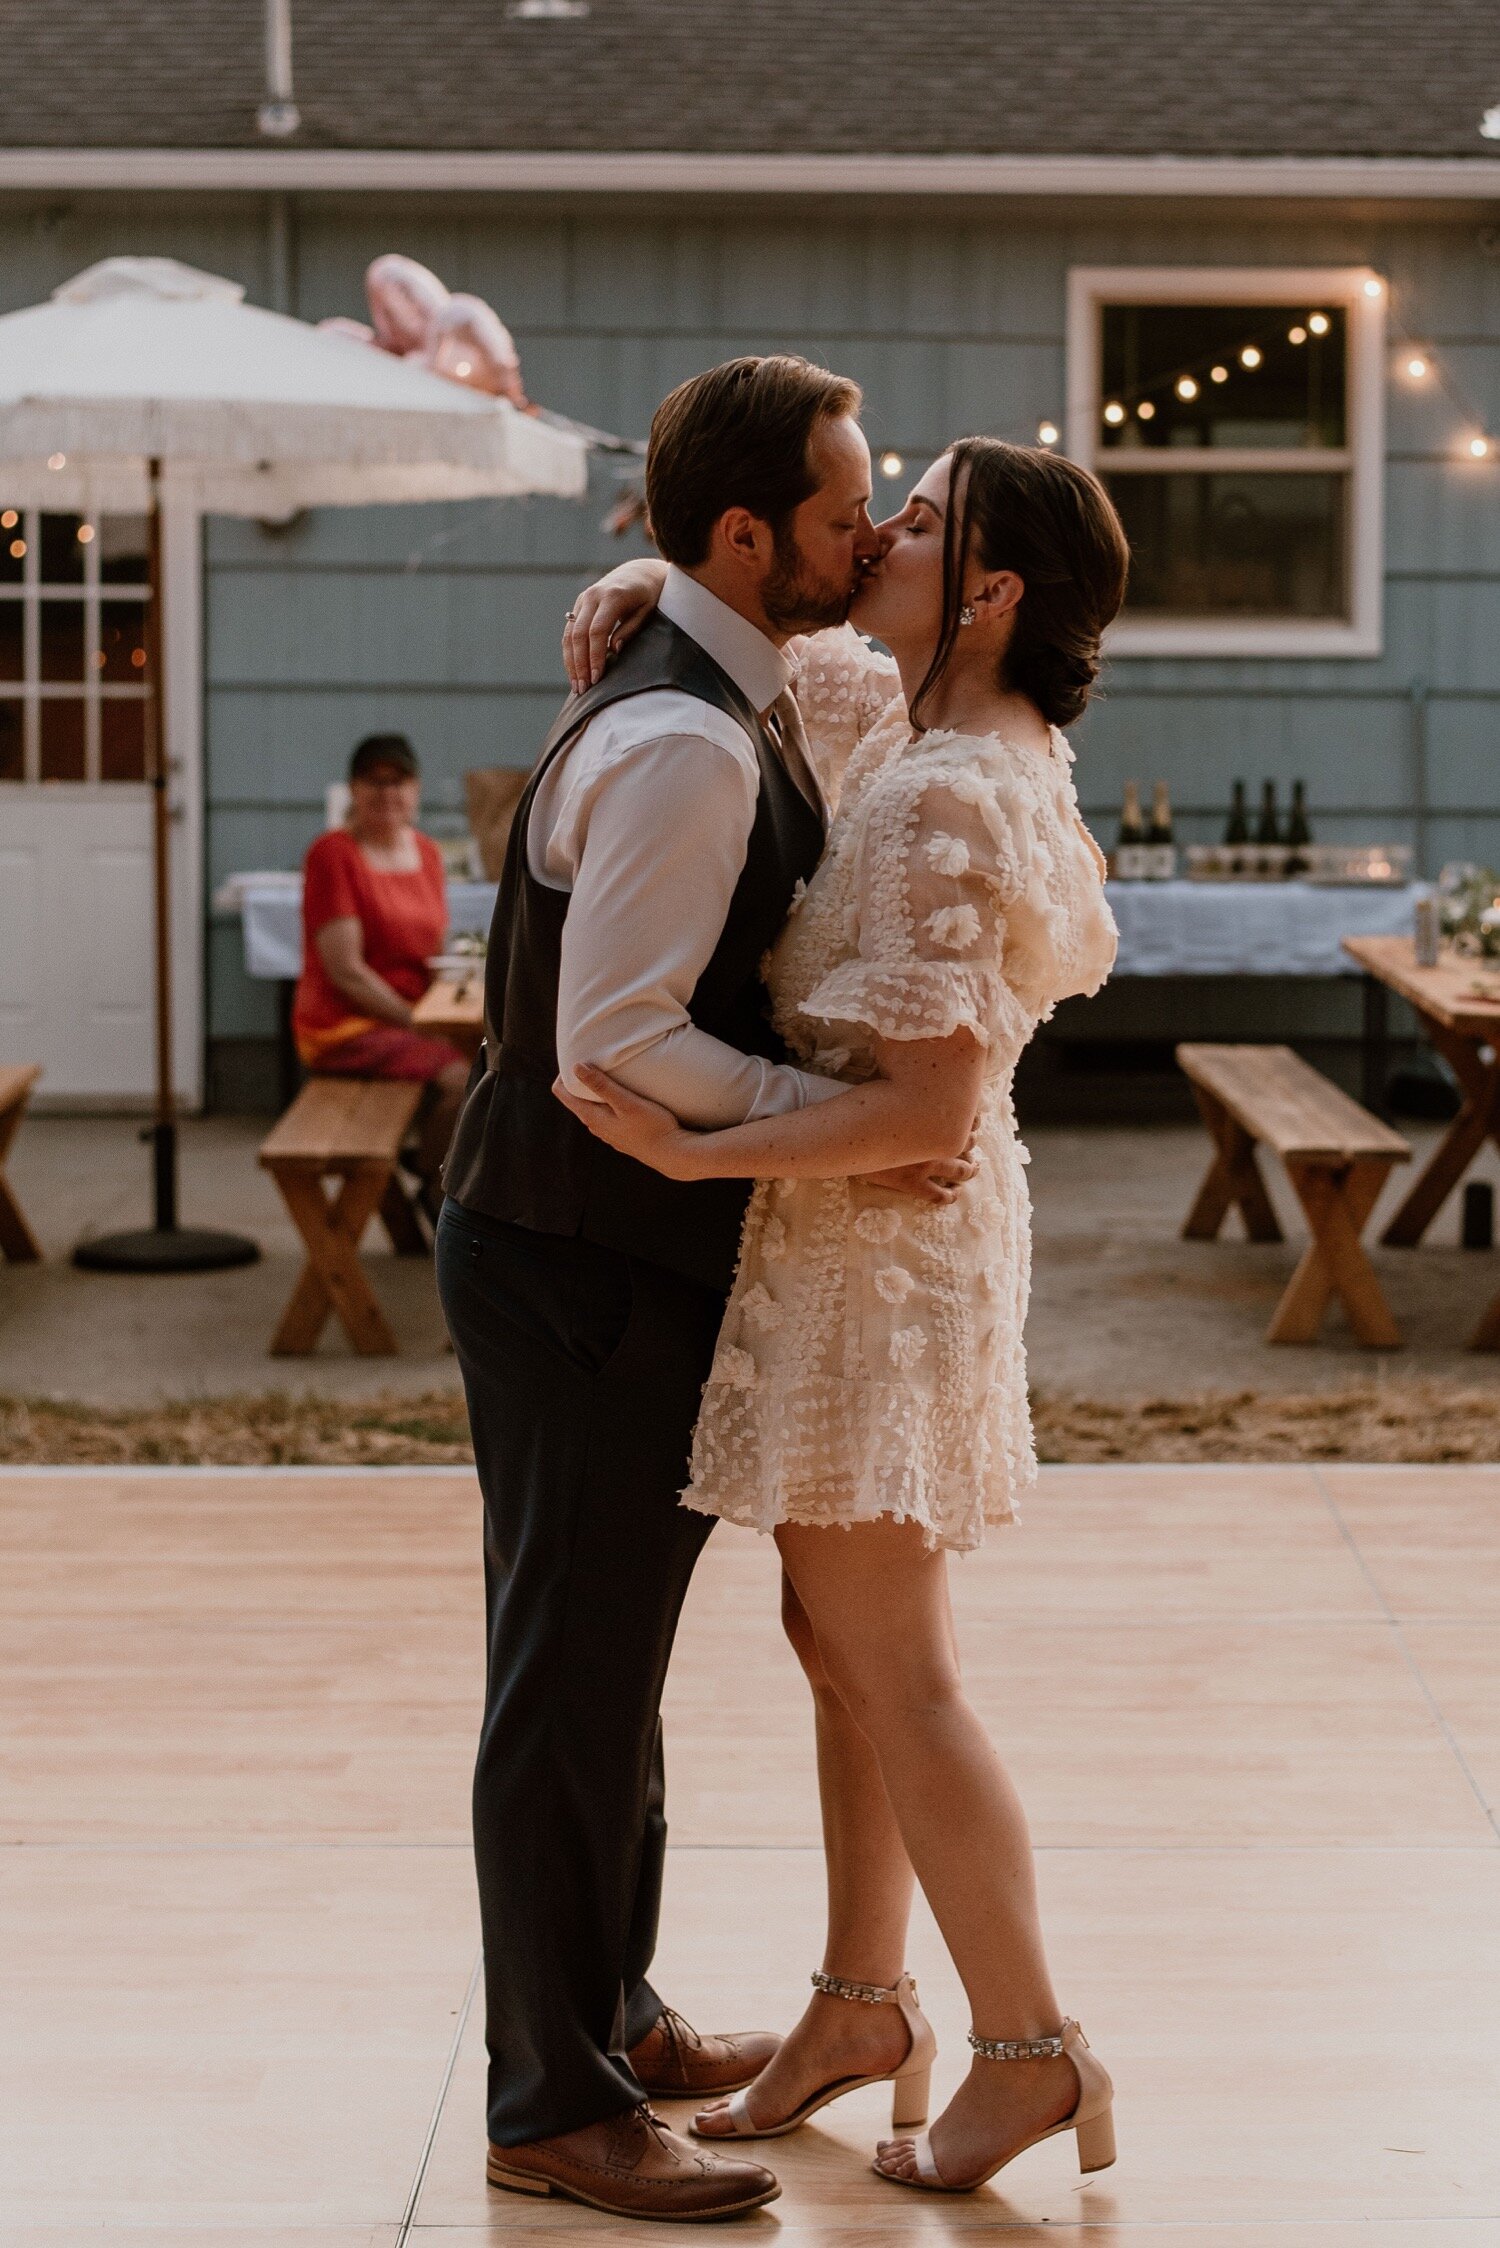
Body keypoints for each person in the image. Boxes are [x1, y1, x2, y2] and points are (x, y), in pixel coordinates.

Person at [557, 434, 1127, 2195]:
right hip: (850, 1245)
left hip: (888, 1259)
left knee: (903, 1666)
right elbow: (767, 632)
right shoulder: (914, 723)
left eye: (927, 521)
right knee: (836, 1641)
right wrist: (651, 581)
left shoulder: (955, 790)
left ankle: (1033, 2047)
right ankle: (863, 2000)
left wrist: (679, 1140)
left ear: (997, 589)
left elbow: (930, 1117)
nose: (883, 531)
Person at [435, 356, 966, 2225]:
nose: (868, 532)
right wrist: (855, 1120)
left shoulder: (724, 680)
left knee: (607, 1662)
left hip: (604, 1248)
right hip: (579, 1250)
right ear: (748, 538)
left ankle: (608, 2011)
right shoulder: (678, 739)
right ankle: (545, 2100)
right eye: (842, 513)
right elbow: (625, 1036)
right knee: (568, 1673)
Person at [293, 733, 469, 1202]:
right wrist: (419, 1022)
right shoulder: (333, 855)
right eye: (374, 780)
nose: (387, 792)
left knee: (493, 1052)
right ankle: (439, 1192)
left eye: (400, 780)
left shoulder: (428, 853)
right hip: (346, 1027)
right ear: (353, 789)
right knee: (464, 1077)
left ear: (416, 789)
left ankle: (439, 1158)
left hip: (409, 1018)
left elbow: (431, 949)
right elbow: (346, 971)